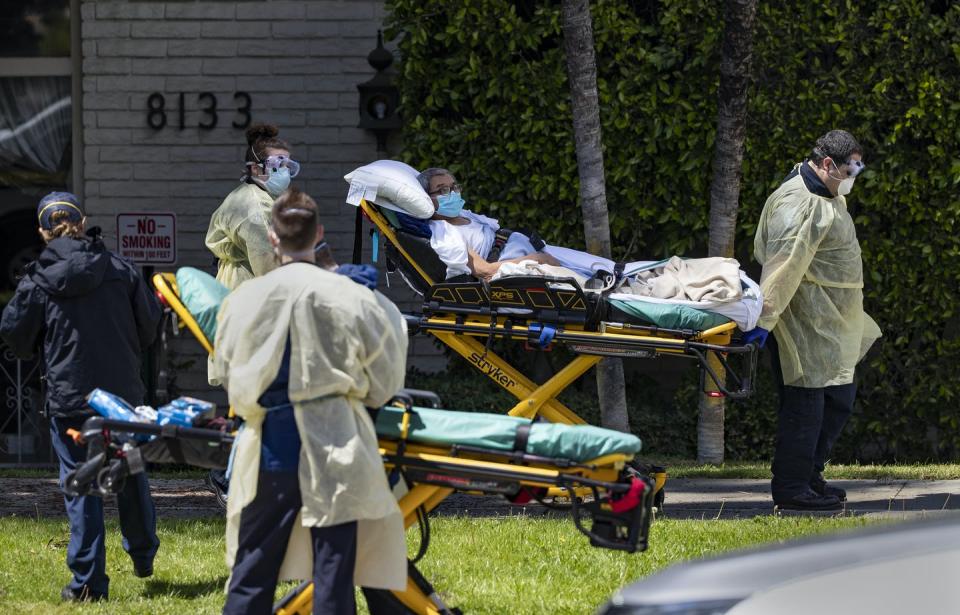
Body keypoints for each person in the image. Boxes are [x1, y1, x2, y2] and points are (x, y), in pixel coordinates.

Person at [210, 189, 408, 614]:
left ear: (273, 238)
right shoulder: (352, 296)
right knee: (335, 576)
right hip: (338, 440)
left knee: (252, 570)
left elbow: (227, 371)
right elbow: (386, 378)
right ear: (318, 233)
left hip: (270, 449)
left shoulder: (244, 299)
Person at [0, 192, 161, 601]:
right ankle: (143, 554)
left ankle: (88, 584)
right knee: (130, 470)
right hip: (121, 398)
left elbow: (14, 334)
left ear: (42, 231)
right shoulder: (120, 269)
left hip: (70, 398)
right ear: (83, 220)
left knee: (81, 486)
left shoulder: (38, 278)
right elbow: (148, 328)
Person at [748, 130, 882, 511]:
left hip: (831, 321)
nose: (853, 176)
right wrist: (765, 320)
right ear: (826, 165)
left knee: (838, 398)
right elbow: (783, 267)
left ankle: (810, 475)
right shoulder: (800, 203)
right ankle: (791, 488)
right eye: (849, 169)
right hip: (803, 324)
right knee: (806, 404)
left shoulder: (827, 193)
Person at [416, 167, 563, 280]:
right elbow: (485, 270)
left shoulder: (464, 215)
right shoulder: (445, 233)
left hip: (532, 249)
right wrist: (537, 259)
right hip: (525, 265)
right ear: (427, 198)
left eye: (454, 187)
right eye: (443, 190)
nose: (453, 193)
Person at [206, 123, 301, 291]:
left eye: (287, 165)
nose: (284, 171)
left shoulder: (256, 196)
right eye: (277, 165)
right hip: (249, 293)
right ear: (255, 169)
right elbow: (270, 269)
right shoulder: (255, 207)